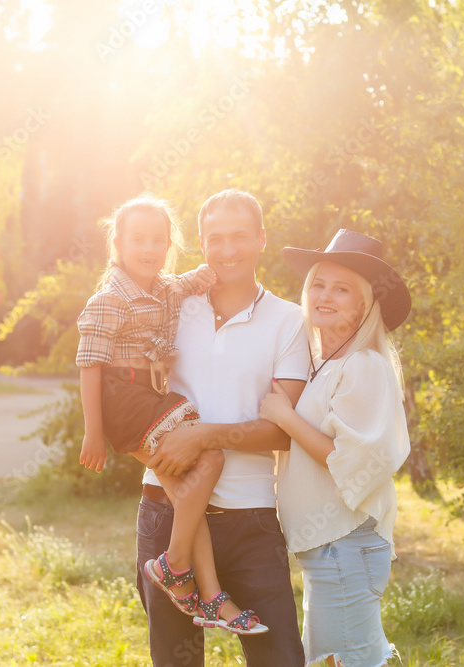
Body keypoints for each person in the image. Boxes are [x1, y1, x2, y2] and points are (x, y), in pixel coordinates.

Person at [75, 194, 267, 635]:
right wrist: (93, 432)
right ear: (118, 244)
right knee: (210, 459)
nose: (148, 248)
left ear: (169, 245)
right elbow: (89, 365)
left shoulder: (164, 287)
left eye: (157, 240)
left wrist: (209, 271)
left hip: (149, 397)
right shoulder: (108, 299)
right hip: (123, 399)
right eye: (137, 239)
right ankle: (175, 566)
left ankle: (209, 595)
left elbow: (189, 282)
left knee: (188, 489)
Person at [136, 189, 310, 666]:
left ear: (261, 239)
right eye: (215, 238)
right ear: (201, 243)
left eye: (239, 236)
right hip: (165, 510)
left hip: (249, 518)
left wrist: (205, 434)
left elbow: (283, 430)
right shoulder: (169, 308)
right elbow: (124, 392)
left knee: (279, 659)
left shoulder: (289, 321)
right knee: (176, 661)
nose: (228, 249)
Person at [259, 229, 412, 667]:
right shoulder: (324, 365)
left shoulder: (363, 366)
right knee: (342, 658)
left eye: (341, 289)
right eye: (319, 285)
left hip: (344, 546)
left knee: (344, 661)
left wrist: (285, 417)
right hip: (329, 549)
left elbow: (354, 459)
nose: (325, 295)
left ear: (364, 304)